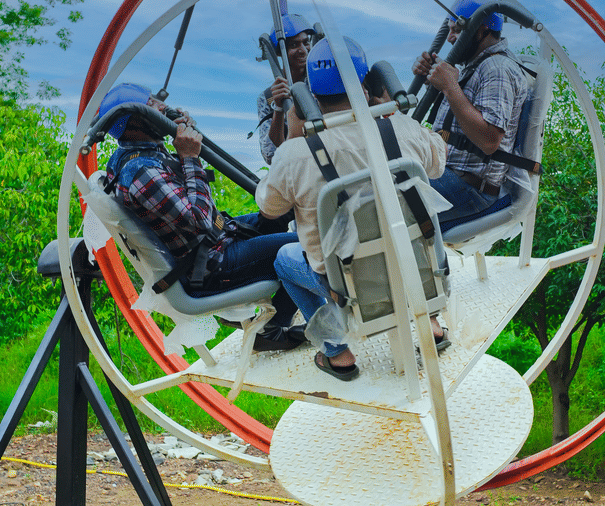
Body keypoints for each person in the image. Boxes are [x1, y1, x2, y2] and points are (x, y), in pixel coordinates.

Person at [255, 37, 448, 381]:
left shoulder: (294, 155)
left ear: (311, 96)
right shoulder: (403, 129)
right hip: (416, 268)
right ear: (366, 84)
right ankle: (430, 323)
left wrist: (296, 127)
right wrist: (389, 110)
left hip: (349, 287)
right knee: (403, 234)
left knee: (284, 259)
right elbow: (437, 165)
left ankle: (337, 354)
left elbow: (270, 210)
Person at [100, 83, 305, 352]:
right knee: (307, 246)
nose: (162, 106)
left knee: (283, 213)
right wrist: (190, 157)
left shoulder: (143, 151)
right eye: (151, 105)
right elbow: (201, 221)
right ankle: (273, 327)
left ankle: (274, 316)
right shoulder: (140, 172)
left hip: (214, 241)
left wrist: (183, 136)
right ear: (134, 123)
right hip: (211, 264)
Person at [412, 0, 530, 232]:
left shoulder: (497, 69)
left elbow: (489, 141)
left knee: (383, 207)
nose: (450, 38)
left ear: (482, 30)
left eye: (456, 30)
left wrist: (449, 86)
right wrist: (433, 82)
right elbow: (454, 118)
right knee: (375, 185)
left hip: (469, 190)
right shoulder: (474, 66)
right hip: (446, 174)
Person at [256, 13, 315, 164]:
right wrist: (278, 108)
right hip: (297, 165)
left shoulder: (320, 81)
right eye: (294, 45)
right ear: (279, 53)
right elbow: (269, 154)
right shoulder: (268, 97)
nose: (303, 50)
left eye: (305, 43)